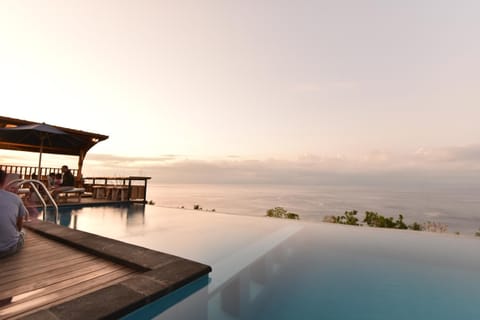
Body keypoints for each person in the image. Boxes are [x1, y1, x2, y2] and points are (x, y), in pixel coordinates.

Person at [0, 169, 27, 259]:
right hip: (8, 248)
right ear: (4, 181)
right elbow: (19, 226)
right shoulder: (15, 198)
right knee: (23, 232)